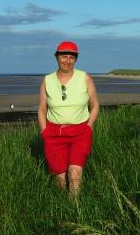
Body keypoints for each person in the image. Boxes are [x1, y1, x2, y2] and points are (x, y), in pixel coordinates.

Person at [38, 41, 99, 198]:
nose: (68, 60)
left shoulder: (85, 78)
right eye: (64, 56)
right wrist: (44, 131)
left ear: (76, 59)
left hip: (80, 132)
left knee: (75, 172)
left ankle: (76, 209)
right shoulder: (47, 80)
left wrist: (89, 126)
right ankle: (63, 207)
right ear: (56, 57)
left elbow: (95, 104)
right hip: (53, 133)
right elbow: (42, 108)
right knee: (59, 177)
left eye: (72, 57)